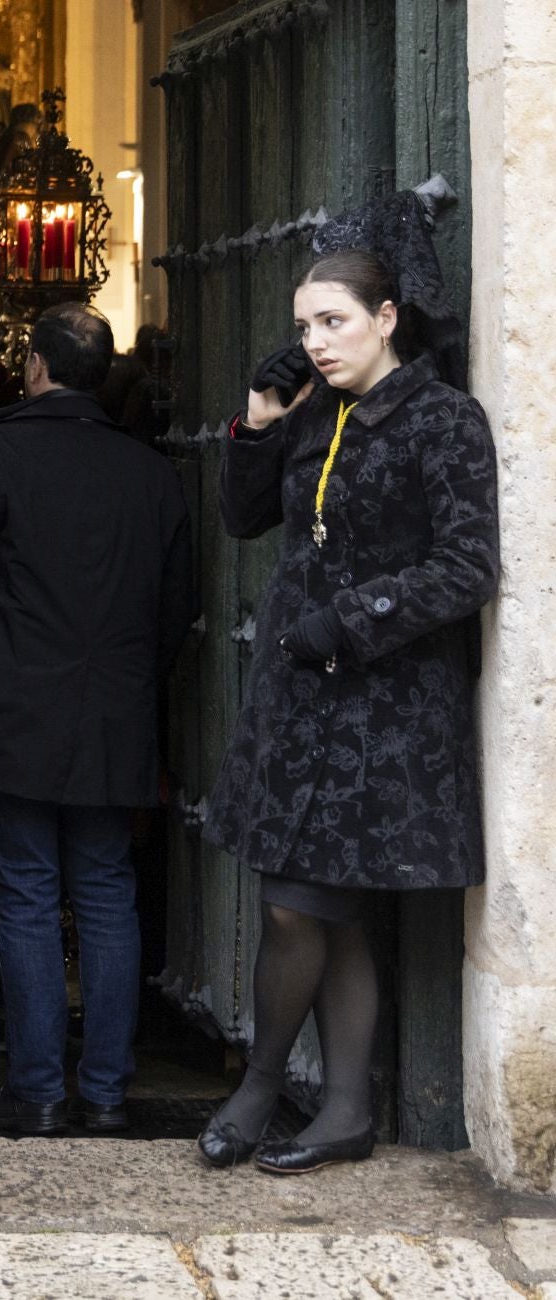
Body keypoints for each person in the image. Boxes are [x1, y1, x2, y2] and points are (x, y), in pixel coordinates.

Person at [196, 246, 498, 1174]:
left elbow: (467, 566)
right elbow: (245, 519)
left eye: (334, 321)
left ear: (388, 317)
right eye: (303, 327)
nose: (316, 343)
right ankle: (346, 1109)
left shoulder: (444, 421)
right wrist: (256, 422)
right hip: (299, 704)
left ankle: (260, 1085)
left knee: (299, 905)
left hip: (384, 712)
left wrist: (350, 620)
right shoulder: (315, 410)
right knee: (326, 910)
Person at [0, 303, 194, 1136]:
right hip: (114, 712)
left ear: (35, 367)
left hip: (8, 714)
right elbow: (176, 610)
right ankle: (107, 1092)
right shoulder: (152, 472)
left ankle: (38, 1090)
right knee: (109, 894)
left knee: (28, 896)